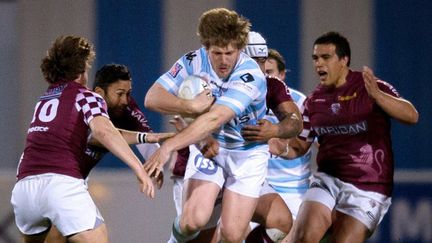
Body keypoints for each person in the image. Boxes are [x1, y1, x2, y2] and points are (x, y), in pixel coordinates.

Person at [275, 31, 419, 243]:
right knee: (303, 238)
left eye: (326, 57)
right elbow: (299, 147)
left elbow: (412, 116)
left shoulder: (369, 86)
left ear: (344, 60)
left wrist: (378, 97)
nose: (319, 64)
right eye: (315, 58)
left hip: (368, 186)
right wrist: (277, 145)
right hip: (327, 179)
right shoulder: (314, 101)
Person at [10, 36, 155, 243]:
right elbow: (104, 131)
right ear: (81, 70)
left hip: (24, 189)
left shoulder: (44, 99)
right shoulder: (87, 96)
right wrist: (139, 169)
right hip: (61, 184)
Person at [144, 8, 269, 243]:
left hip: (247, 155)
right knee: (193, 220)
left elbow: (215, 117)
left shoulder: (250, 74)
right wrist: (189, 106)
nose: (223, 60)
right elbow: (152, 97)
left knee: (232, 235)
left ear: (240, 49)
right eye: (216, 53)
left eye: (230, 53)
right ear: (206, 47)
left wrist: (168, 146)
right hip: (211, 150)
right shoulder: (193, 60)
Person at [45, 63, 175, 242]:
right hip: (54, 177)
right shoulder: (84, 104)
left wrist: (156, 163)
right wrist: (139, 165)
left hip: (75, 182)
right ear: (99, 92)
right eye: (119, 94)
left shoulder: (126, 110)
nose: (125, 100)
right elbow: (100, 136)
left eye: (128, 93)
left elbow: (147, 138)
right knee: (59, 234)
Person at [243, 45, 312, 243]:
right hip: (257, 184)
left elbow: (308, 143)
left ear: (282, 75)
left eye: (270, 72)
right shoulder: (244, 100)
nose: (264, 77)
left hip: (291, 191)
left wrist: (280, 144)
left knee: (285, 235)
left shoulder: (300, 103)